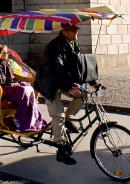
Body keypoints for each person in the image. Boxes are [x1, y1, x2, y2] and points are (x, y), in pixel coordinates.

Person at [34, 25, 90, 166]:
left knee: (83, 94)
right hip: (48, 81)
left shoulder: (72, 45)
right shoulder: (55, 46)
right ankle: (60, 149)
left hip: (61, 79)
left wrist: (92, 80)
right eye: (74, 31)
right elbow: (57, 68)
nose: (77, 32)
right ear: (64, 32)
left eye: (77, 30)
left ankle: (68, 118)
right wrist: (69, 87)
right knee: (58, 113)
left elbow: (78, 66)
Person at [0, 45, 48, 133]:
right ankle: (21, 121)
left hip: (9, 87)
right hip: (1, 90)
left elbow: (10, 78)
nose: (7, 54)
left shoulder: (4, 63)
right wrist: (10, 84)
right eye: (5, 53)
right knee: (23, 90)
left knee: (28, 87)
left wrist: (16, 82)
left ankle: (33, 121)